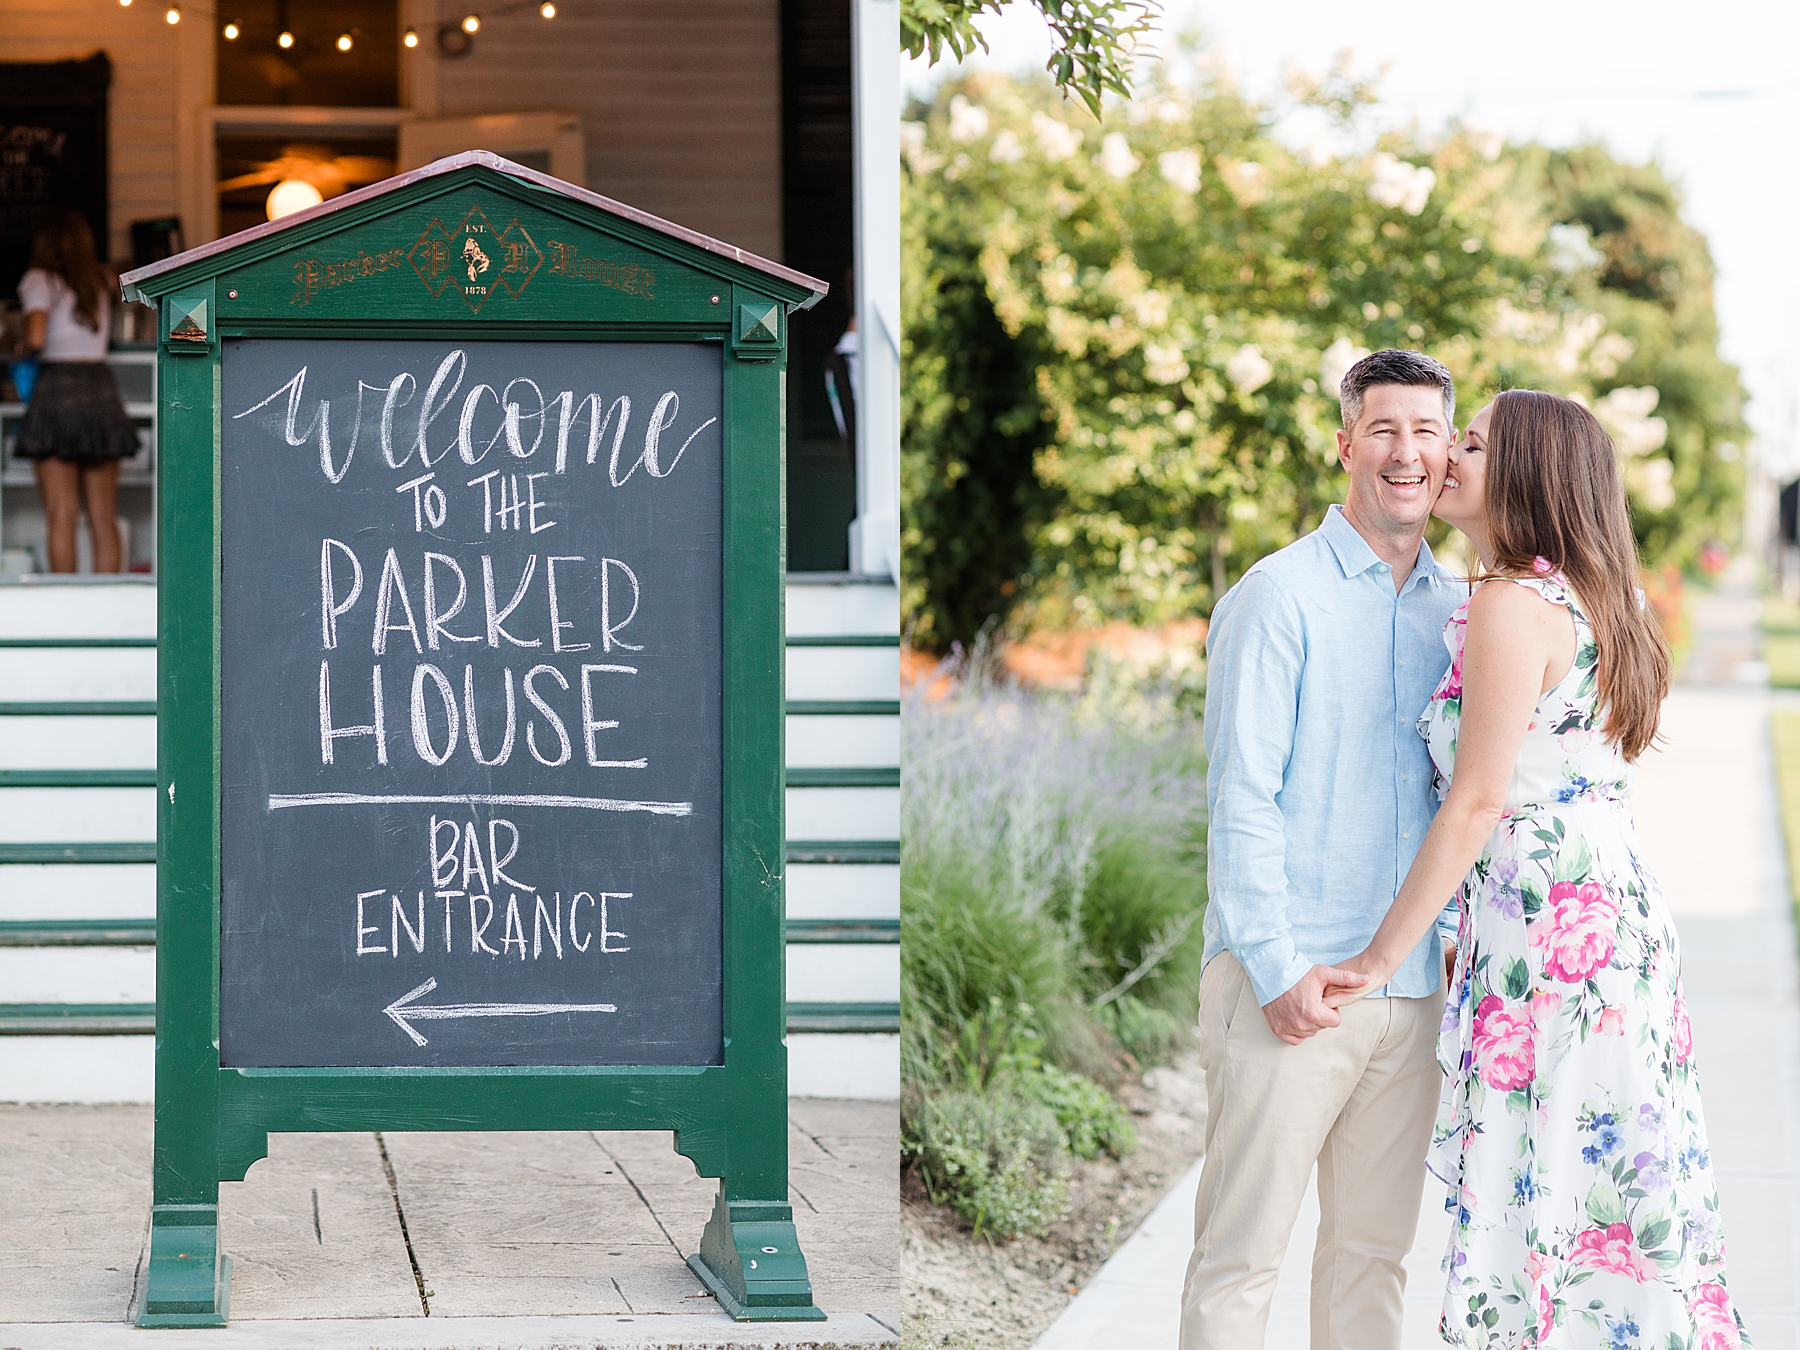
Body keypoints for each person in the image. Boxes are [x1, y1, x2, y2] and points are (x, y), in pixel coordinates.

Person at [1325, 390, 1751, 1347]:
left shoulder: (1511, 604)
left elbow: (1478, 800)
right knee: (1611, 1190)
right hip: (1608, 914)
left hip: (1554, 933)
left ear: (1524, 474)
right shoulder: (1601, 597)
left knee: (1553, 1187)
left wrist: (1378, 956)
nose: (1447, 458)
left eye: (1470, 443)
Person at [1182, 349, 1465, 1348]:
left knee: (1371, 1262)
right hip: (1289, 987)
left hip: (1408, 997)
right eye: (1384, 429)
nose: (1406, 453)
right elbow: (1241, 796)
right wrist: (1275, 966)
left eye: (1427, 431)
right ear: (1346, 444)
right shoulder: (1277, 597)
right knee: (1240, 1257)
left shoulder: (1460, 611)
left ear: (1449, 451)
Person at [14, 209, 136, 573]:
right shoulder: (101, 279)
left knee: (61, 513)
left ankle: (65, 607)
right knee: (103, 515)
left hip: (57, 391)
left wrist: (17, 348)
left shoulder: (39, 279)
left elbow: (36, 338)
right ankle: (110, 608)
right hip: (99, 389)